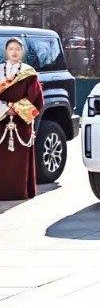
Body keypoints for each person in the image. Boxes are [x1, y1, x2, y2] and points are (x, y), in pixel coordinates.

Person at [0, 38, 42, 201]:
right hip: (1, 120)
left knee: (19, 160)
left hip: (21, 122)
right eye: (11, 49)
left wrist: (16, 109)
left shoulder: (29, 72)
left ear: (22, 51)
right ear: (6, 51)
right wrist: (5, 109)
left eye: (17, 48)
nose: (14, 52)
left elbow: (35, 97)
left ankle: (21, 191)